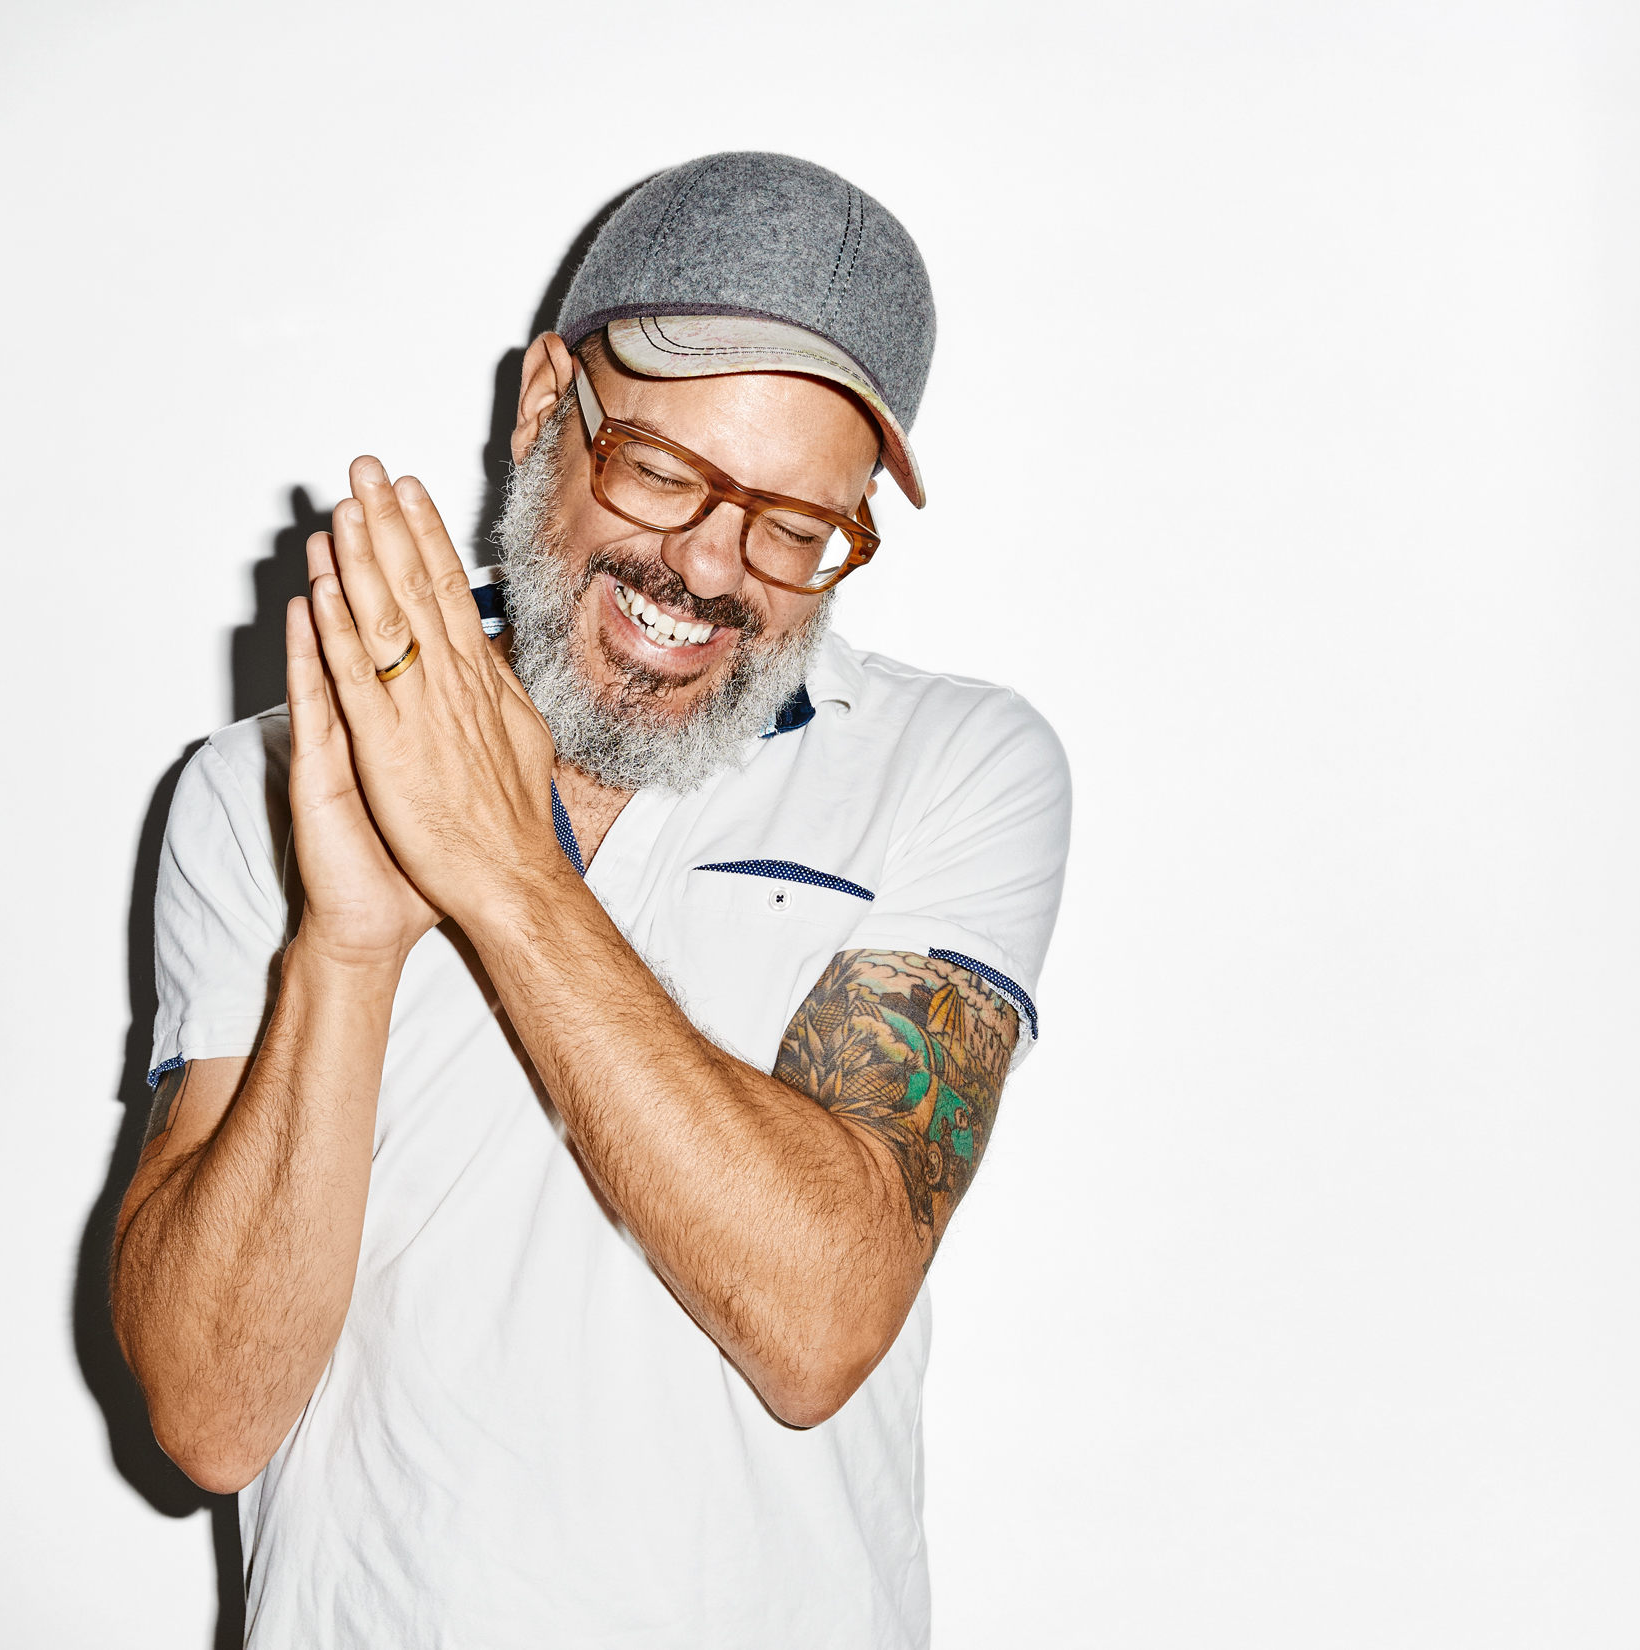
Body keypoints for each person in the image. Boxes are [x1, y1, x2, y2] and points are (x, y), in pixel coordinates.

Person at [110, 151, 1071, 1647]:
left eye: (793, 528)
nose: (708, 567)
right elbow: (210, 1417)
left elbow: (820, 1324)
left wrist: (502, 870)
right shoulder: (264, 783)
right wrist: (348, 945)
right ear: (545, 403)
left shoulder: (955, 764)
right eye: (664, 472)